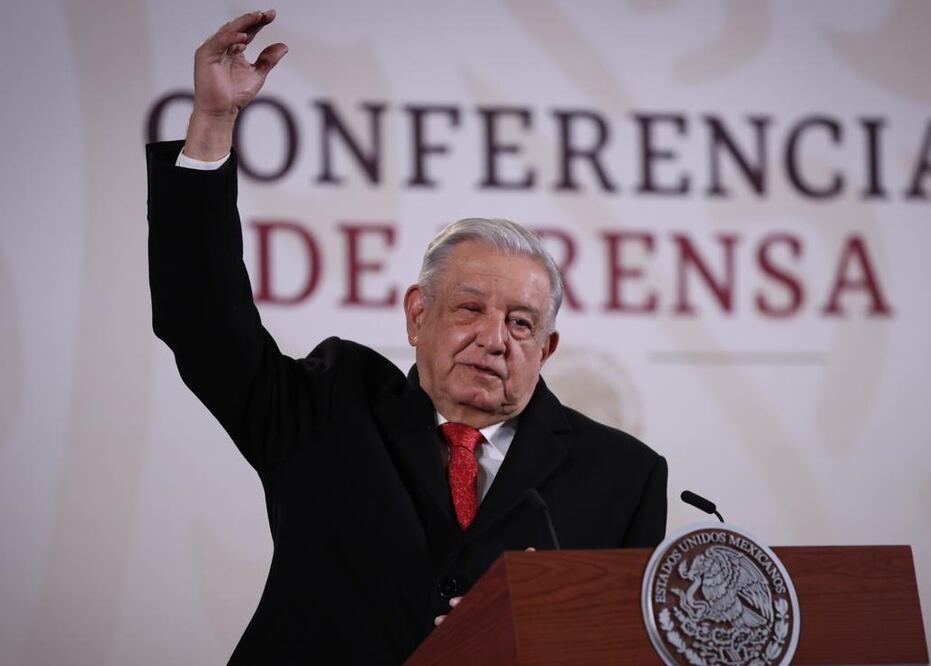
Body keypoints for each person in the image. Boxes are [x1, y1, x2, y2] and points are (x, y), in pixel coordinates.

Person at [147, 10, 667, 664]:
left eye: (520, 323)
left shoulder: (621, 475)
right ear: (417, 315)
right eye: (469, 308)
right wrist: (213, 125)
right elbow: (202, 319)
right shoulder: (329, 408)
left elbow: (627, 647)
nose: (494, 338)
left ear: (546, 350)